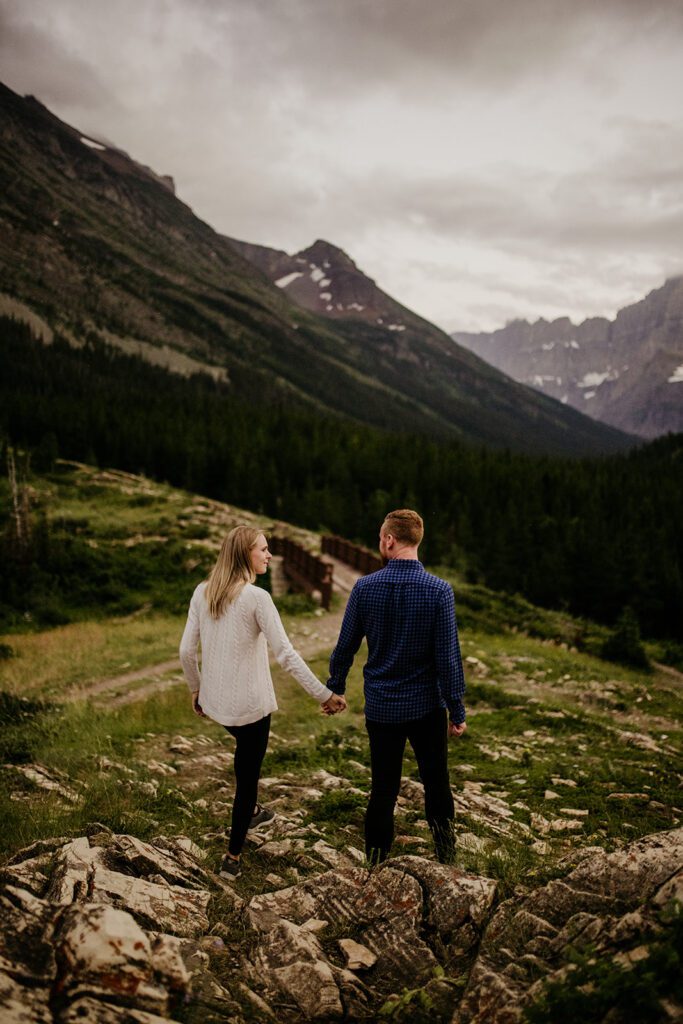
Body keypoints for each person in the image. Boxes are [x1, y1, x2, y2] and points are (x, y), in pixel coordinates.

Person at [179, 525, 345, 879]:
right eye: (263, 550)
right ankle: (233, 857)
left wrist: (196, 688)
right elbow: (285, 654)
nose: (269, 555)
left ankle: (252, 811)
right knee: (247, 776)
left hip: (215, 703)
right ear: (245, 555)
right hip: (250, 708)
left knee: (244, 759)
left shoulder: (202, 592)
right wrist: (324, 694)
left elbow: (184, 651)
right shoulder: (257, 598)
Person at [326, 509, 466, 864]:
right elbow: (448, 658)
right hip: (426, 707)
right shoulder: (439, 591)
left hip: (382, 707)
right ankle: (447, 857)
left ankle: (375, 863)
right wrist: (457, 710)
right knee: (436, 783)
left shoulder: (364, 587)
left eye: (380, 537)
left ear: (389, 539)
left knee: (383, 788)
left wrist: (335, 687)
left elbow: (345, 646)